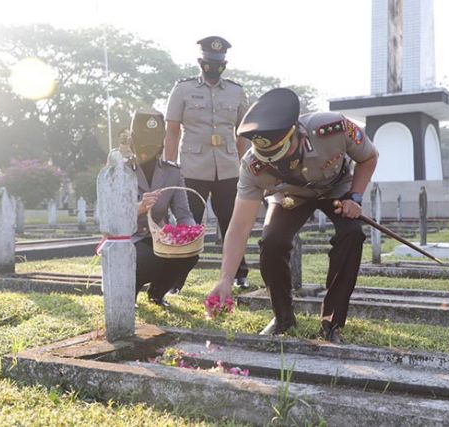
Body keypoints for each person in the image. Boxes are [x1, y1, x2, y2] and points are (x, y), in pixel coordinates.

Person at [207, 88, 378, 343]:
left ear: (297, 134)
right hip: (291, 196)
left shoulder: (333, 127)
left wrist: (355, 198)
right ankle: (283, 318)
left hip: (337, 187)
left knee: (352, 235)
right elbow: (239, 226)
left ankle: (332, 322)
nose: (279, 166)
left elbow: (369, 157)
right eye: (272, 163)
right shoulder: (252, 166)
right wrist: (225, 279)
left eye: (284, 158)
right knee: (271, 242)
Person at [163, 36, 251, 290]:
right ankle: (175, 280)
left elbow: (242, 132)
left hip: (227, 169)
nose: (215, 66)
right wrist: (170, 167)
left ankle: (239, 274)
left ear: (224, 62)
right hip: (192, 168)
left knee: (233, 222)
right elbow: (172, 131)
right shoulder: (183, 89)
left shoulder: (236, 91)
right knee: (186, 224)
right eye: (210, 61)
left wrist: (236, 158)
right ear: (201, 61)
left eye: (219, 61)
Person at [123, 110, 199, 308]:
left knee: (188, 254)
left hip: (159, 236)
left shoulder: (172, 171)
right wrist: (139, 207)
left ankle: (157, 292)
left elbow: (183, 213)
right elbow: (110, 216)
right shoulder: (120, 171)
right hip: (128, 237)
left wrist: (191, 233)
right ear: (133, 140)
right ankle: (128, 292)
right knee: (148, 259)